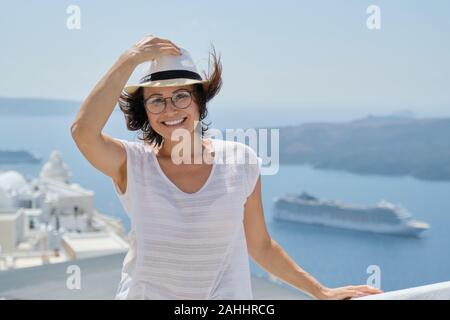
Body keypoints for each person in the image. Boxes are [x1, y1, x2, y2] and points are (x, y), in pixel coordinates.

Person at [71, 34, 383, 300]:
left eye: (181, 96)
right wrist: (130, 58)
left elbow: (260, 246)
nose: (170, 109)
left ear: (199, 102)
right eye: (156, 100)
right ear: (146, 110)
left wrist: (321, 292)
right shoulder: (133, 164)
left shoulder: (241, 161)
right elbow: (83, 132)